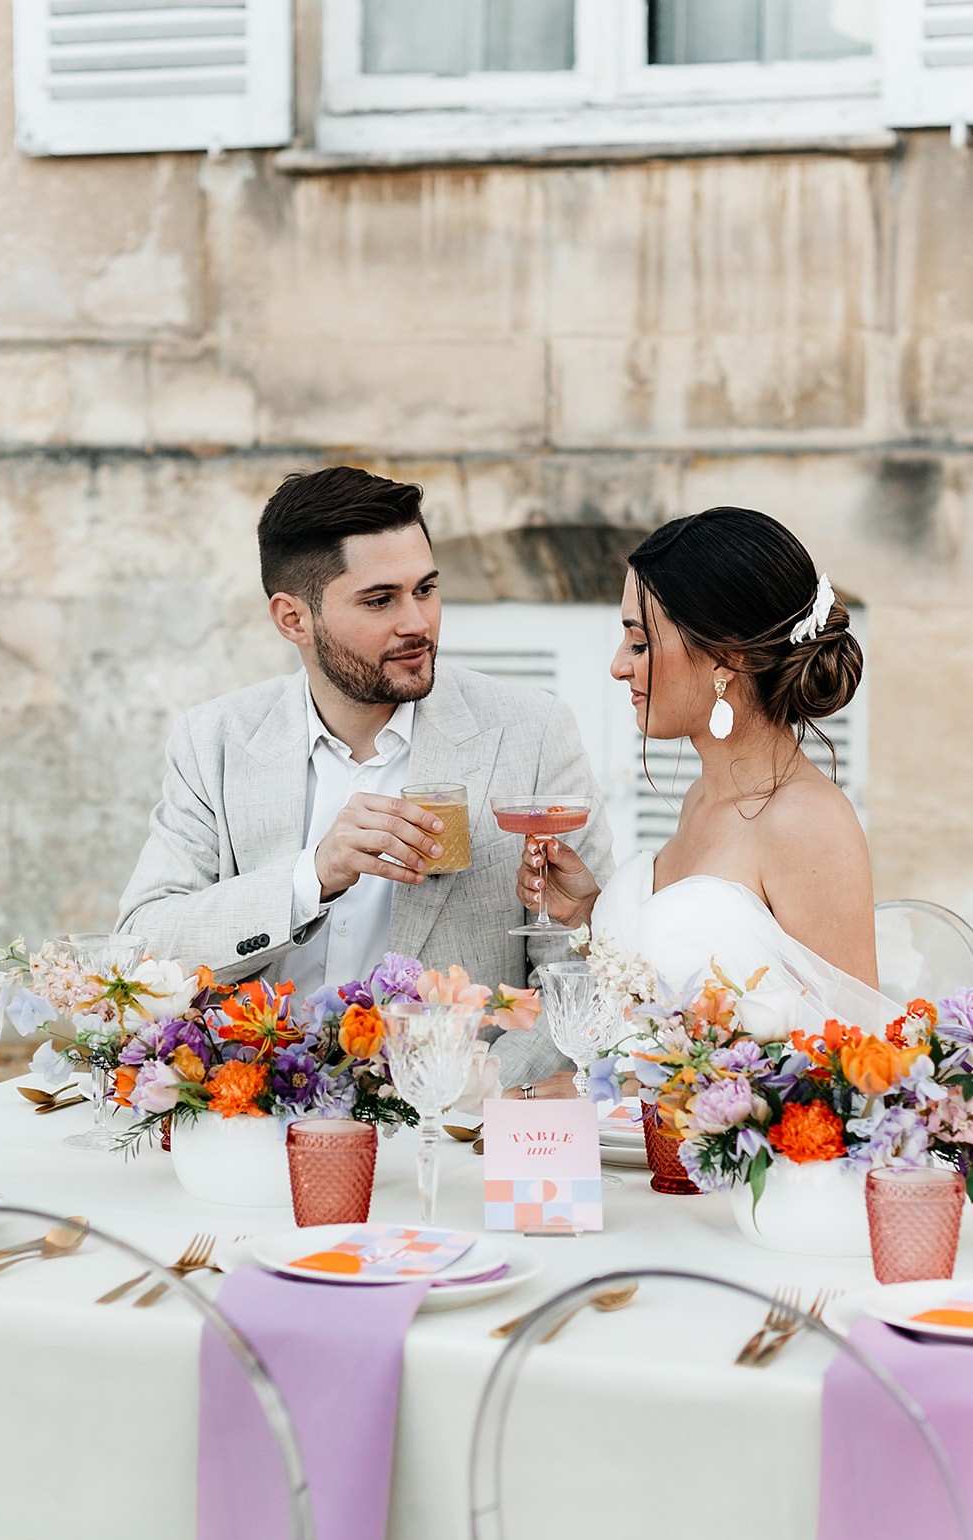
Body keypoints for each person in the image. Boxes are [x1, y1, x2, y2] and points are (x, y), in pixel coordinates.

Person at [117, 465, 614, 1091]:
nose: (418, 623)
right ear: (292, 619)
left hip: (456, 1137)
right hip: (258, 1125)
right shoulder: (214, 740)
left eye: (426, 590)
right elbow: (139, 950)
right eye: (380, 600)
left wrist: (462, 1099)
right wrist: (311, 877)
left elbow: (582, 975)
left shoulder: (531, 731)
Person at [517, 506, 892, 1037]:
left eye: (641, 643)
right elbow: (674, 994)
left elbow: (853, 1057)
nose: (618, 664)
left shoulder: (806, 821)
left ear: (725, 659)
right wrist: (586, 910)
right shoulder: (702, 797)